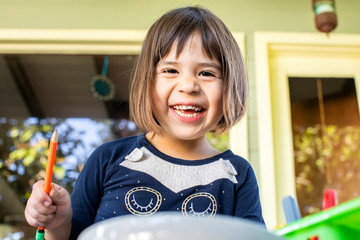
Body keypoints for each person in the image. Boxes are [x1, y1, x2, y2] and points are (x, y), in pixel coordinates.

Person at [24, 5, 265, 240]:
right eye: (170, 70)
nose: (189, 86)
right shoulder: (108, 160)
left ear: (230, 88)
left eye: (207, 73)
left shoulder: (237, 176)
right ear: (147, 82)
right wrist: (58, 221)